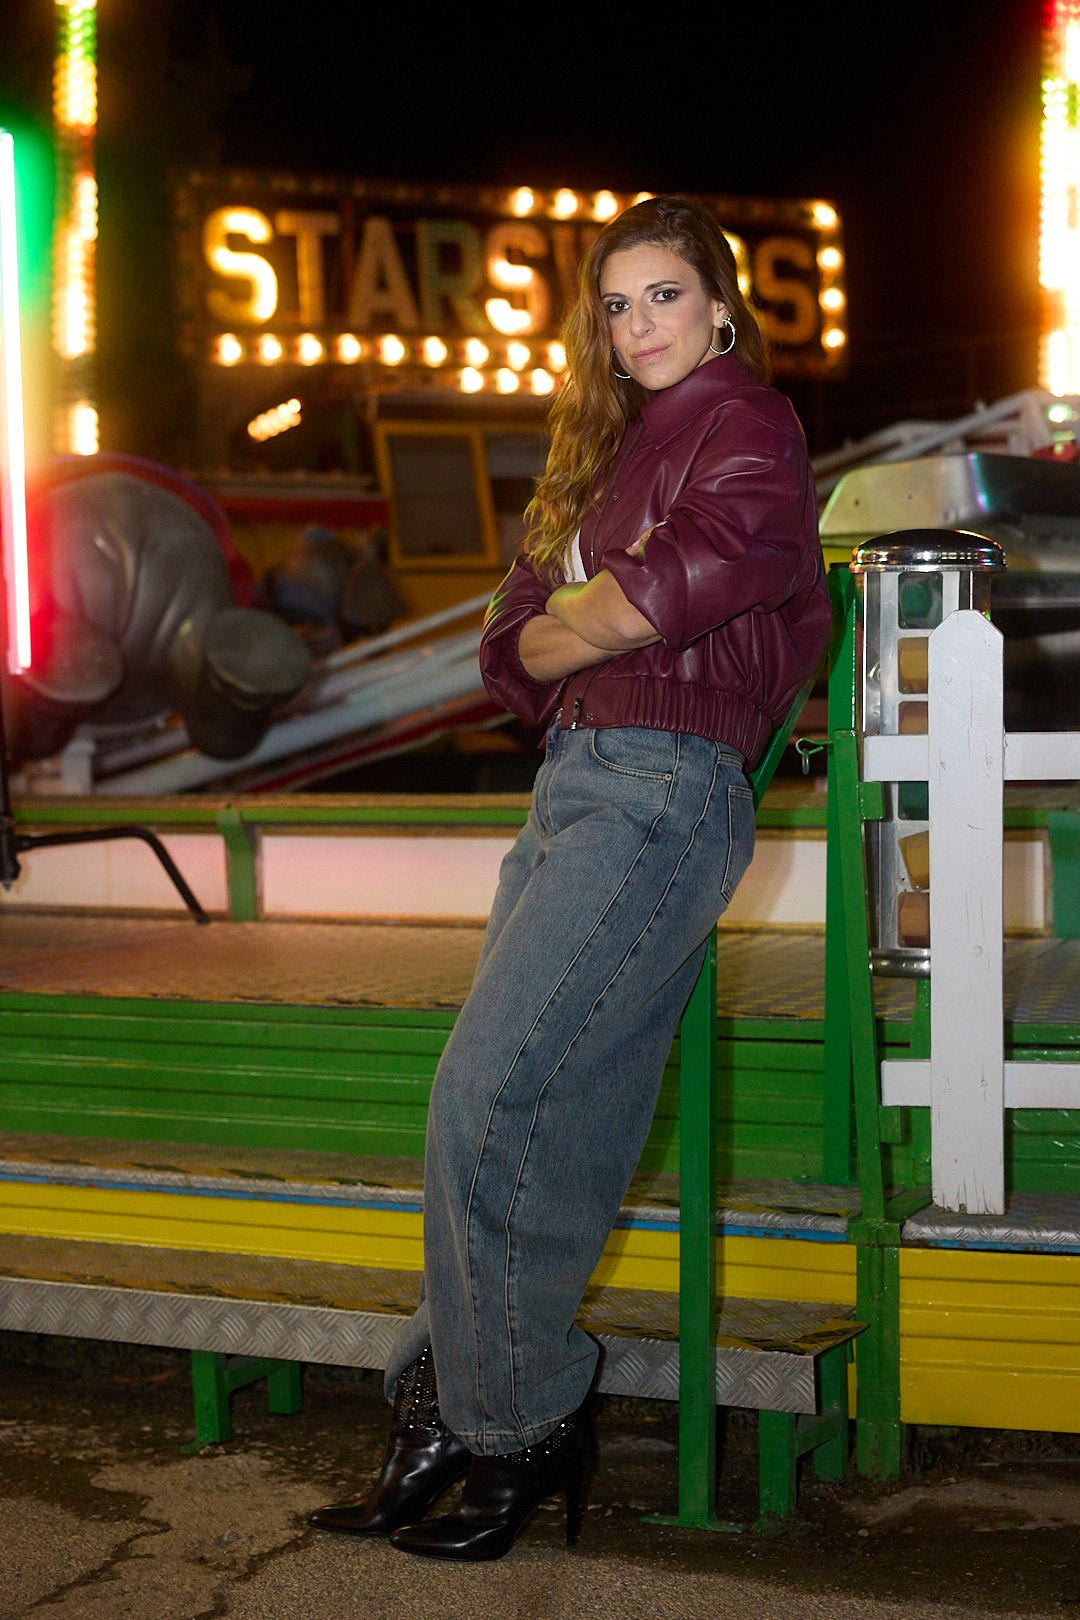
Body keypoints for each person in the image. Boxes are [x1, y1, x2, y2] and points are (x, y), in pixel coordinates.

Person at [310, 194, 831, 1561]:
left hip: (664, 787)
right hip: (574, 788)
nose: (638, 325)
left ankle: (517, 1422)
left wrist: (587, 619)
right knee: (562, 1120)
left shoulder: (749, 423)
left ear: (721, 307)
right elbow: (510, 645)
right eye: (615, 304)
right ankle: (454, 1411)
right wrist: (587, 621)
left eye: (665, 296)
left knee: (486, 1094)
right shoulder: (599, 454)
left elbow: (684, 584)